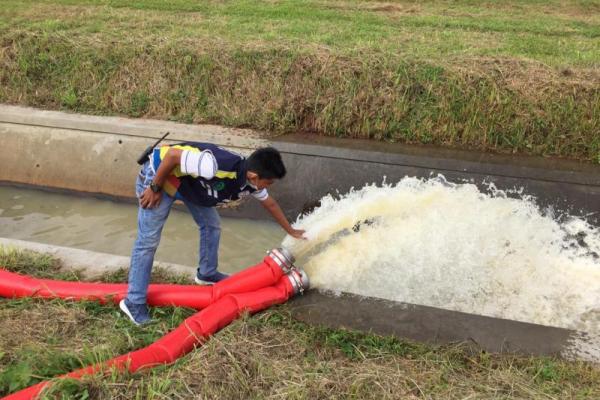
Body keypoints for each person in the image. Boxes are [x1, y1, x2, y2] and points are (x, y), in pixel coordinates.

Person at [120, 142, 305, 325]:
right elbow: (172, 156)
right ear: (254, 176)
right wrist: (154, 188)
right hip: (159, 176)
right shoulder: (213, 165)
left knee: (211, 225)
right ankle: (133, 302)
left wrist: (291, 230)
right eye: (269, 182)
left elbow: (270, 204)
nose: (269, 186)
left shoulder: (249, 182)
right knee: (148, 241)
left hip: (187, 183)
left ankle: (207, 273)